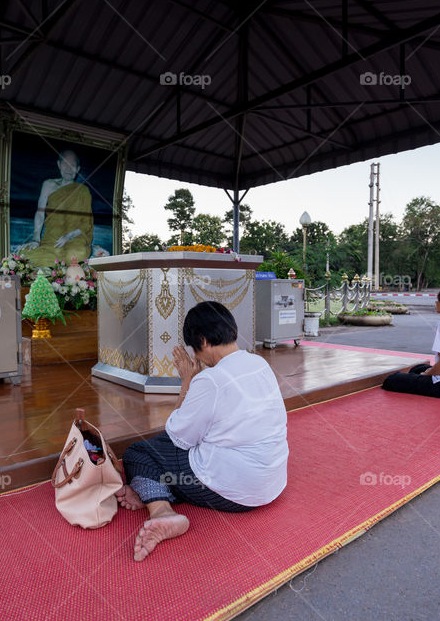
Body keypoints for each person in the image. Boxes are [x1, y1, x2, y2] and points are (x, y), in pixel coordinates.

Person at [116, 301, 289, 562]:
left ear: (203, 341)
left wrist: (188, 380)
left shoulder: (211, 380)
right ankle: (158, 490)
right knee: (166, 450)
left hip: (236, 493)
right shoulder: (258, 363)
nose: (196, 356)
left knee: (137, 453)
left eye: (194, 348)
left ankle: (162, 511)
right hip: (271, 483)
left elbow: (178, 437)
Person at [18, 149, 93, 267]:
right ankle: (58, 263)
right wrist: (36, 239)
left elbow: (86, 223)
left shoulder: (83, 191)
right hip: (52, 240)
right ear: (59, 165)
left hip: (74, 240)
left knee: (75, 255)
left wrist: (69, 236)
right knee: (24, 255)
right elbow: (40, 213)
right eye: (65, 164)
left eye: (72, 165)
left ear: (78, 169)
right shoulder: (48, 185)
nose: (68, 169)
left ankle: (57, 263)